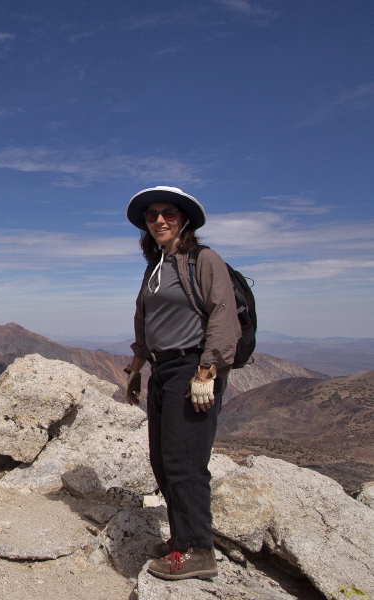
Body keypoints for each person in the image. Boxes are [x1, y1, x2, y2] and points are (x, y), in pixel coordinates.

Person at [122, 186, 239, 580]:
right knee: (163, 460)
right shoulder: (156, 266)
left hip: (193, 368)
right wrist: (137, 368)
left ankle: (197, 551)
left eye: (168, 213)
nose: (159, 220)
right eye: (152, 215)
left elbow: (224, 316)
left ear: (183, 219)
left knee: (185, 463)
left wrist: (208, 371)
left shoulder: (203, 260)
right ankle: (181, 540)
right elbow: (146, 321)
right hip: (162, 370)